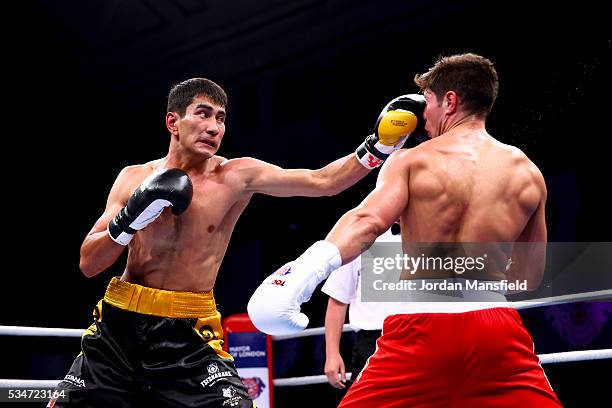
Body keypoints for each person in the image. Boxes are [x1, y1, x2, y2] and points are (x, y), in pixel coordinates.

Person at [51, 78, 425, 407]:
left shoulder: (236, 176)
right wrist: (126, 223)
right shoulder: (133, 178)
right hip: (118, 326)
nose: (214, 126)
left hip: (188, 330)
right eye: (202, 114)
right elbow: (89, 263)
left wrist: (379, 146)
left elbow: (322, 181)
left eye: (220, 118)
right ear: (172, 122)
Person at [248, 53, 562, 406]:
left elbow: (367, 223)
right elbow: (530, 276)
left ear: (450, 101)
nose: (421, 115)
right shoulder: (528, 173)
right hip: (497, 331)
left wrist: (301, 273)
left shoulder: (412, 161)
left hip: (421, 330)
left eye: (427, 102)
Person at [323, 225, 404, 390]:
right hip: (373, 344)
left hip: (423, 336)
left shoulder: (433, 234)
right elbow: (338, 299)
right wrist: (331, 353)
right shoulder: (359, 238)